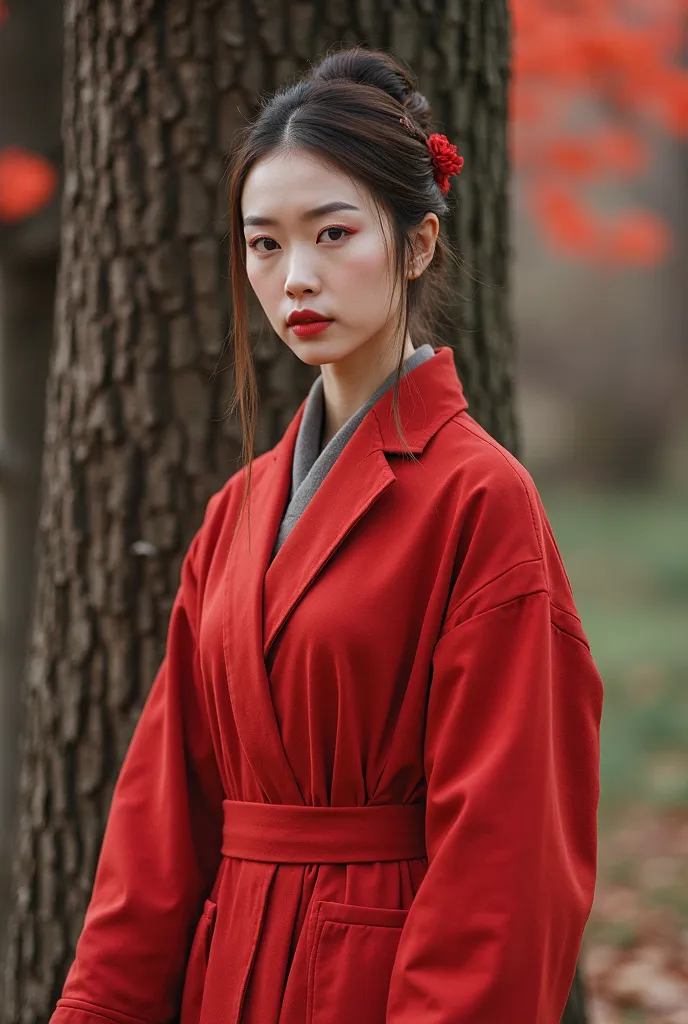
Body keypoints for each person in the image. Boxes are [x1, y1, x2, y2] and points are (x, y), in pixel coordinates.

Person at [50, 47, 603, 1024]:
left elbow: (505, 861)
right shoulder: (237, 511)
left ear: (418, 243)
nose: (295, 276)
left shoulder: (481, 501)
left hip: (375, 984)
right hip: (229, 973)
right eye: (263, 244)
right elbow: (156, 828)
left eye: (333, 232)